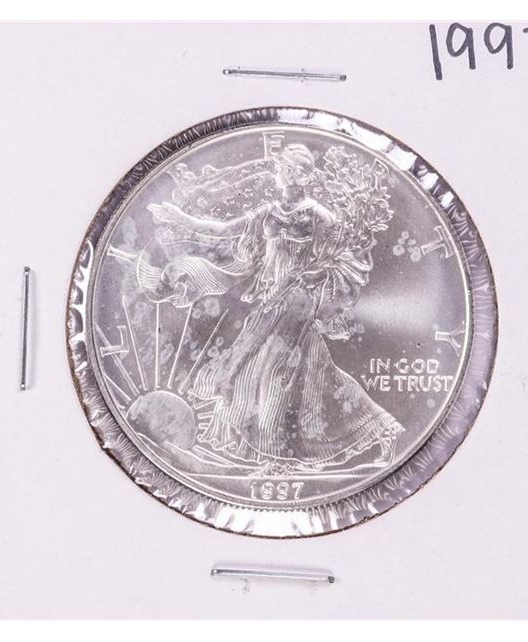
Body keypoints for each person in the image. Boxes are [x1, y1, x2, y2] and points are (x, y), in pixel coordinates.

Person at [140, 144, 403, 474]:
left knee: (273, 373)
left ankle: (275, 457)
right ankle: (382, 429)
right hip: (271, 300)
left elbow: (344, 259)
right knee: (304, 373)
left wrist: (318, 274)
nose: (276, 173)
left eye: (281, 168)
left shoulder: (320, 217)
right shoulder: (268, 212)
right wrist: (179, 219)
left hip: (299, 301)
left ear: (295, 174)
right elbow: (222, 230)